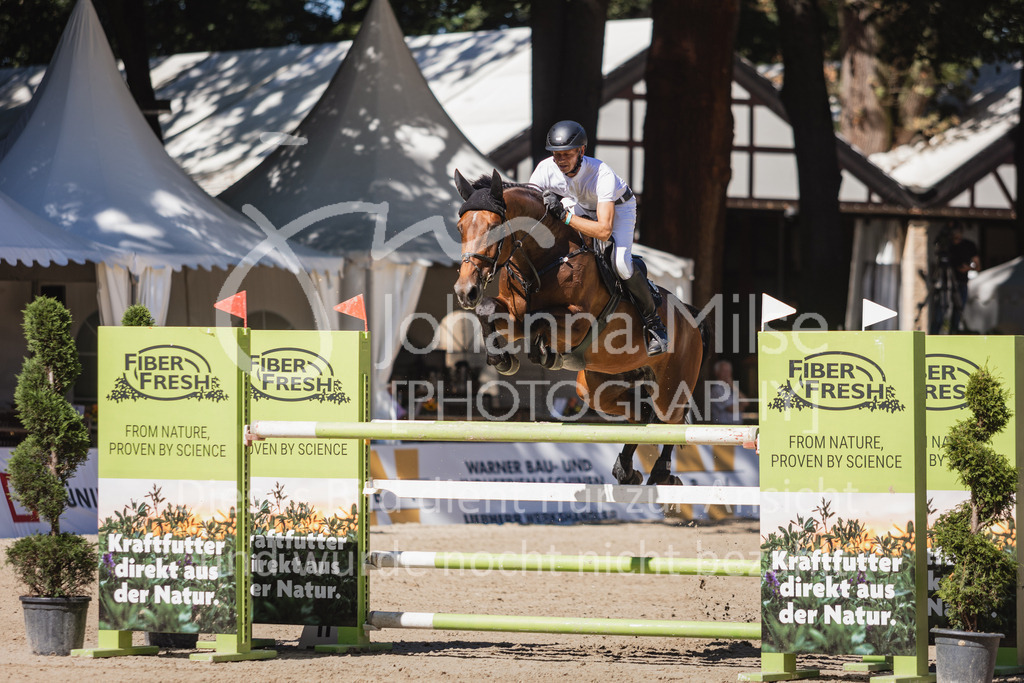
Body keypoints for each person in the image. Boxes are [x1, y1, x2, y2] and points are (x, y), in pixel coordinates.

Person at [529, 120, 668, 356]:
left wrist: (563, 216)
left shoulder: (602, 173)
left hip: (618, 209)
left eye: (566, 154)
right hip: (580, 205)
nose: (560, 160)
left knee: (621, 265)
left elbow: (603, 230)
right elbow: (530, 205)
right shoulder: (545, 168)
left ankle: (654, 325)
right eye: (556, 155)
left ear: (581, 151)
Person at [947, 226, 979, 333]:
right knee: (945, 307)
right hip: (947, 281)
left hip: (961, 282)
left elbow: (978, 266)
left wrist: (967, 268)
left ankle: (955, 329)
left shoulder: (968, 245)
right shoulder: (948, 246)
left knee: (959, 307)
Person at [708, 359, 746, 425]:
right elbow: (731, 409)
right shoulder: (716, 389)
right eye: (724, 371)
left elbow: (746, 402)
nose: (726, 374)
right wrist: (742, 407)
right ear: (717, 372)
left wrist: (733, 386)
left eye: (728, 371)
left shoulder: (731, 388)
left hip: (737, 427)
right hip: (723, 427)